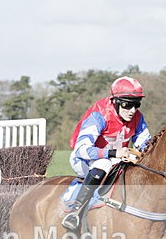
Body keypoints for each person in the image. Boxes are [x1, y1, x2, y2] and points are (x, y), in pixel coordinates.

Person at [62, 76, 152, 231]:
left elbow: (146, 145)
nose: (132, 111)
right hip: (84, 160)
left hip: (116, 159)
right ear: (115, 101)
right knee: (104, 164)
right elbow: (82, 150)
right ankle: (75, 211)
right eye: (127, 105)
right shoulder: (99, 115)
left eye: (136, 105)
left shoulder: (137, 118)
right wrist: (113, 153)